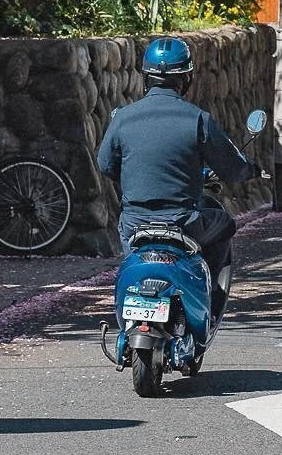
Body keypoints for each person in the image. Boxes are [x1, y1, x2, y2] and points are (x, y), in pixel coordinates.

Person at [96, 36, 258, 319]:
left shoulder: (122, 117)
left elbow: (106, 164)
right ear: (186, 78)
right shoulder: (197, 119)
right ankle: (209, 298)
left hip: (134, 222)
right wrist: (251, 169)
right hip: (183, 222)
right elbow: (233, 168)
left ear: (145, 76)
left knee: (132, 256)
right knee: (224, 225)